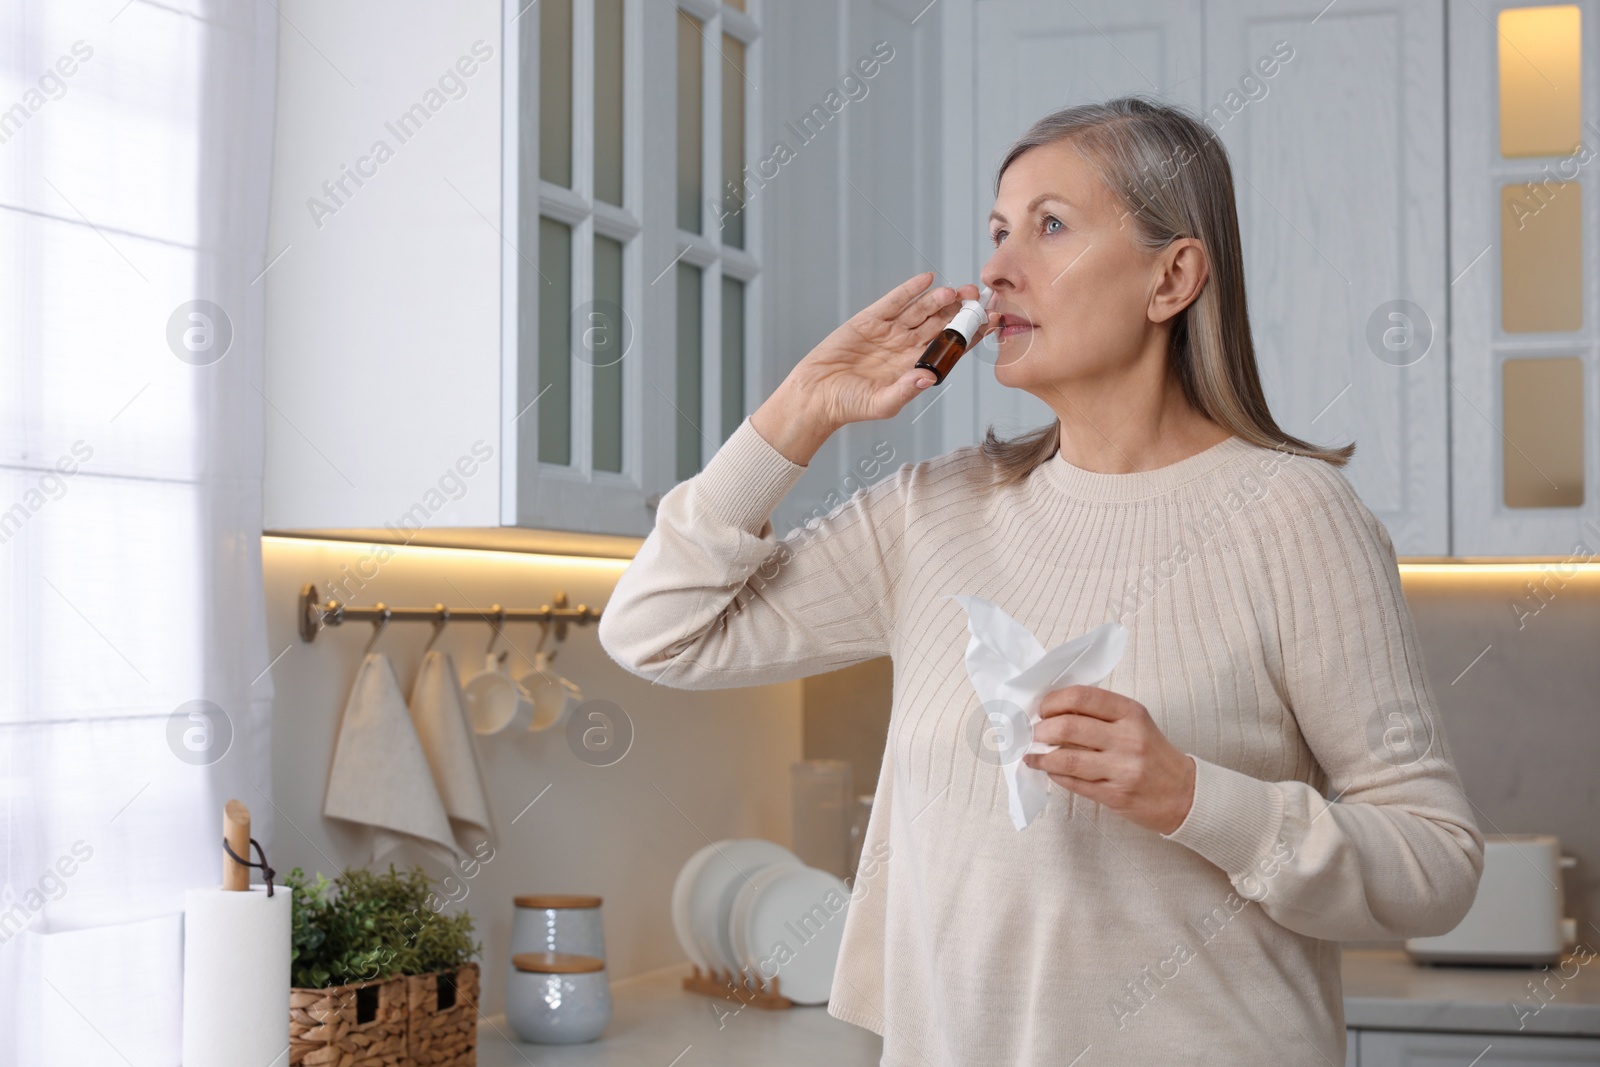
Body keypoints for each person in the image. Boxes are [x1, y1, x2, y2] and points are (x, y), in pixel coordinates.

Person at [597, 96, 1482, 1066]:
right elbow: (657, 631)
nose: (996, 268)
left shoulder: (1292, 514)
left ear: (1171, 275)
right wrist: (798, 412)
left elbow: (1434, 863)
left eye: (1049, 225)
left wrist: (1190, 794)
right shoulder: (930, 512)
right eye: (995, 230)